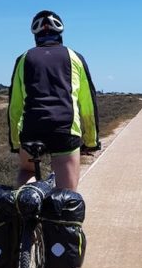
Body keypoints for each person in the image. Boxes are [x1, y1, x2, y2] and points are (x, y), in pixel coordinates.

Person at [8, 10, 100, 191]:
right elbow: (87, 105)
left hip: (32, 129)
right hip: (65, 130)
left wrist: (15, 143)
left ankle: (24, 207)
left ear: (35, 35)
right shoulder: (75, 58)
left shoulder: (24, 59)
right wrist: (91, 142)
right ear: (60, 34)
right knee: (66, 195)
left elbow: (15, 107)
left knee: (27, 171)